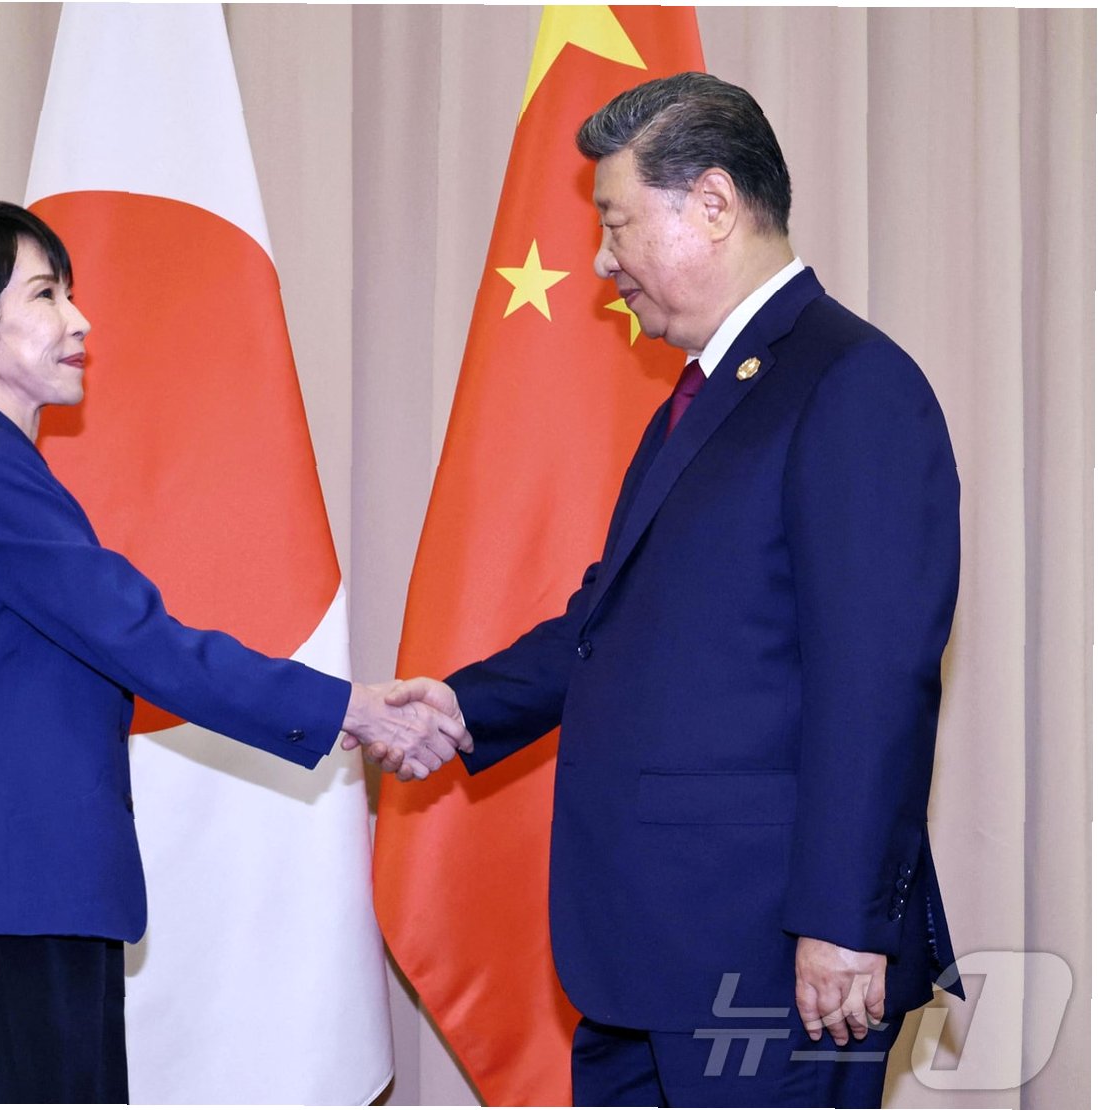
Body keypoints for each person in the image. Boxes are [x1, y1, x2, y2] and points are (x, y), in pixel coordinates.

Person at [382, 73, 962, 1107]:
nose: (601, 261)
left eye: (615, 222)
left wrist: (842, 923)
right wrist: (463, 707)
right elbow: (611, 623)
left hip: (771, 955)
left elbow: (875, 681)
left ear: (713, 203)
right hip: (643, 954)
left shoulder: (850, 384)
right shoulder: (695, 402)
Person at [0, 200, 469, 1104]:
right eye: (45, 295)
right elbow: (136, 637)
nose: (80, 320)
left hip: (10, 888)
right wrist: (346, 708)